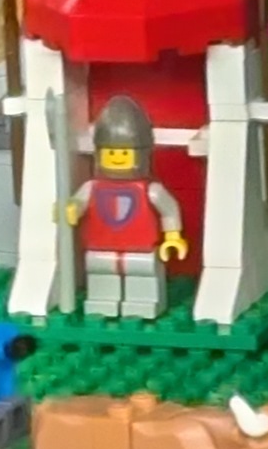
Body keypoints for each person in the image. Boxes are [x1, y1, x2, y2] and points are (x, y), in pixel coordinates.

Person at [64, 95, 187, 321]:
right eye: (111, 153)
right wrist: (71, 208)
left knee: (142, 273)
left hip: (141, 249)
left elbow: (169, 210)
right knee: (101, 272)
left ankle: (144, 305)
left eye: (124, 153)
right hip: (101, 247)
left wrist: (173, 237)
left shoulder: (151, 190)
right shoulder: (92, 188)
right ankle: (102, 303)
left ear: (140, 154)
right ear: (99, 154)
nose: (117, 158)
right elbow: (78, 203)